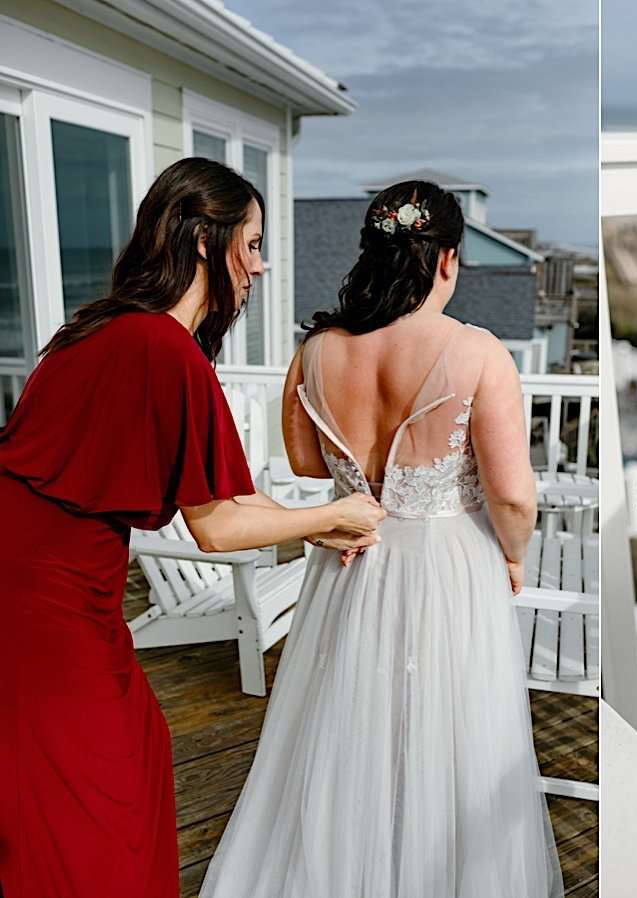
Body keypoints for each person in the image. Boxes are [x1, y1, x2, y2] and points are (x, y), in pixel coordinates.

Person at [0, 158, 386, 898]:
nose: (262, 265)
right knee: (89, 796)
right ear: (206, 243)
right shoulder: (163, 350)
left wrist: (316, 525)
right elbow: (215, 526)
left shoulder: (97, 329)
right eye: (253, 243)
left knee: (121, 758)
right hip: (41, 607)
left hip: (48, 585)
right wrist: (335, 513)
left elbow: (227, 496)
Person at [199, 180, 564, 897]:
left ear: (371, 252)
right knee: (453, 733)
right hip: (450, 563)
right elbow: (513, 492)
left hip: (348, 558)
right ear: (449, 260)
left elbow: (306, 462)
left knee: (344, 725)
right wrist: (514, 553)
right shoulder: (478, 351)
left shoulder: (319, 349)